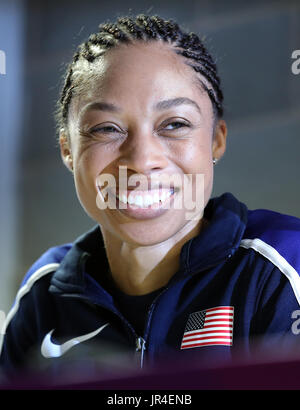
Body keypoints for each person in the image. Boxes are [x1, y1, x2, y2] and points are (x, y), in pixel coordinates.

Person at [1, 14, 300, 385]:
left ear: (216, 140)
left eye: (174, 124)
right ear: (67, 149)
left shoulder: (284, 268)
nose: (141, 161)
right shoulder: (44, 297)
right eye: (106, 129)